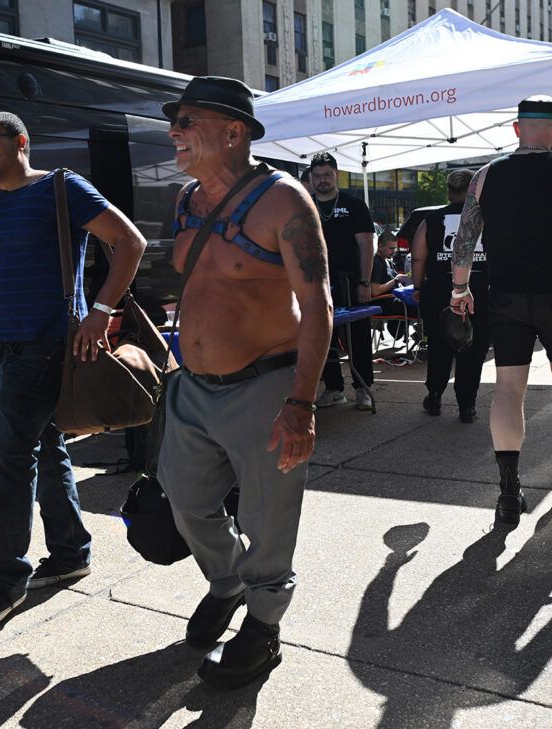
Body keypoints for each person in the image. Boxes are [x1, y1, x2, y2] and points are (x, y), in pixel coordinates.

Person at [0, 111, 147, 627]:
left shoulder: (62, 190)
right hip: (3, 347)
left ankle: (5, 579)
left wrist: (100, 313)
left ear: (21, 140)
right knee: (46, 444)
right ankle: (70, 552)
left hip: (49, 344)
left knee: (9, 457)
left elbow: (129, 243)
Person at [158, 76, 332, 689]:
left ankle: (262, 628)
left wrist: (302, 403)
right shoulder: (185, 201)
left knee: (268, 517)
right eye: (173, 122)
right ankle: (228, 581)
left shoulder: (284, 202)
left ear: (233, 132)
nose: (174, 132)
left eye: (187, 122)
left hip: (265, 385)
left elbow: (317, 305)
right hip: (192, 387)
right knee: (185, 502)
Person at [448, 96, 552, 525]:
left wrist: (459, 289)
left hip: (505, 299)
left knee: (508, 390)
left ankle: (508, 492)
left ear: (516, 128)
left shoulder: (485, 177)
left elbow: (465, 239)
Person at [411, 169, 490, 422]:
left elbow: (418, 256)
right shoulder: (488, 218)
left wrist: (417, 287)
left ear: (449, 191)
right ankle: (467, 405)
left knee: (438, 346)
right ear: (474, 190)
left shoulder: (431, 219)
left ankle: (434, 395)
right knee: (474, 349)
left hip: (439, 292)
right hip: (478, 292)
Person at [307, 151, 377, 410]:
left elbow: (366, 245)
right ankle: (334, 387)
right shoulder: (304, 204)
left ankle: (363, 388)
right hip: (315, 283)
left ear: (336, 174)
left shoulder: (354, 205)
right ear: (312, 178)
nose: (322, 180)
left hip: (350, 281)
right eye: (317, 176)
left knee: (357, 336)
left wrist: (365, 282)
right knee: (320, 337)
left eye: (327, 175)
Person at [367, 231, 414, 340]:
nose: (394, 252)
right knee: (420, 305)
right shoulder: (376, 263)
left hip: (394, 299)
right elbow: (375, 291)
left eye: (395, 248)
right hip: (384, 302)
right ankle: (423, 335)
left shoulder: (389, 262)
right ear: (380, 246)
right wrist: (395, 280)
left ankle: (421, 335)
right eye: (391, 248)